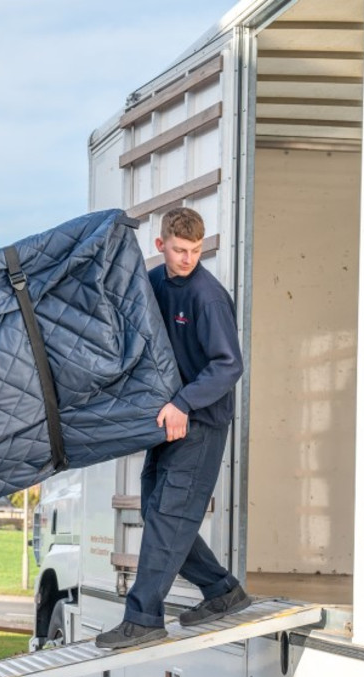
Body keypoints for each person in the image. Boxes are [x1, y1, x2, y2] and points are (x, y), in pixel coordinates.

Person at [97, 208, 249, 650]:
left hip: (200, 421)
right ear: (161, 246)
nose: (188, 259)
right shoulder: (155, 283)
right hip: (167, 422)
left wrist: (184, 402)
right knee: (154, 510)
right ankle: (222, 591)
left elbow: (229, 365)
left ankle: (143, 618)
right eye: (180, 250)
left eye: (196, 251)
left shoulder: (208, 297)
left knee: (169, 517)